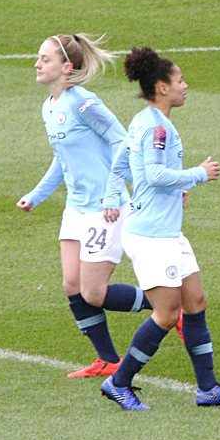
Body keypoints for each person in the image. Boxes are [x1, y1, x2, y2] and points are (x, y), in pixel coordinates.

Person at [99, 46, 220, 410]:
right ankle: (118, 382)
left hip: (166, 232)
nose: (186, 86)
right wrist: (198, 175)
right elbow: (152, 175)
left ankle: (208, 388)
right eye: (180, 80)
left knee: (195, 302)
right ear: (162, 87)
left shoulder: (144, 120)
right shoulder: (156, 127)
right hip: (152, 236)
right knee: (167, 314)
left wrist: (112, 197)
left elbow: (122, 165)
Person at [17, 33, 158, 378]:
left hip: (104, 209)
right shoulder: (49, 107)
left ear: (67, 67)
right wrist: (36, 195)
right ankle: (108, 360)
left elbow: (122, 142)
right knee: (72, 285)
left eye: (45, 59)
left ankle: (168, 307)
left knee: (93, 293)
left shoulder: (83, 103)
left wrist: (112, 195)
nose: (37, 64)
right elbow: (62, 160)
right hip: (76, 210)